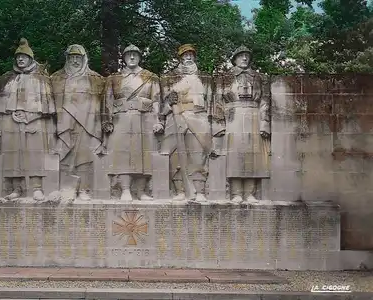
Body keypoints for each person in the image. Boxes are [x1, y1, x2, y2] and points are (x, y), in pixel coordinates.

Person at [0, 38, 57, 201]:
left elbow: (49, 107)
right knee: (13, 155)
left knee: (35, 154)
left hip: (34, 121)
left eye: (24, 56)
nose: (20, 59)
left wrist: (31, 116)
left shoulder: (41, 78)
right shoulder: (6, 78)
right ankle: (17, 188)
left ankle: (37, 188)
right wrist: (1, 122)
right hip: (11, 120)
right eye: (18, 57)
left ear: (30, 58)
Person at [101, 44, 161, 201]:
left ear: (140, 57)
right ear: (124, 58)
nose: (132, 58)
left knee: (144, 155)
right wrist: (107, 121)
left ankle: (141, 191)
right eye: (129, 55)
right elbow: (108, 101)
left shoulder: (151, 77)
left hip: (145, 118)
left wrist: (158, 121)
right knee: (122, 155)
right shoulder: (114, 78)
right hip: (122, 118)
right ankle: (125, 190)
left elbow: (156, 100)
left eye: (135, 55)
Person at [212, 45, 271, 203]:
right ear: (235, 58)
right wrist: (219, 125)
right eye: (241, 55)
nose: (244, 58)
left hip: (253, 114)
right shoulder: (225, 77)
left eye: (247, 55)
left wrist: (264, 123)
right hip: (233, 116)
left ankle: (250, 192)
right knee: (235, 155)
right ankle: (236, 192)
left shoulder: (259, 77)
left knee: (253, 155)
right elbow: (218, 101)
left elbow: (265, 100)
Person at [51, 44, 105, 200]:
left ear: (84, 59)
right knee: (64, 155)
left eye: (78, 57)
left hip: (87, 125)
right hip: (64, 125)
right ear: (67, 59)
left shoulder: (96, 78)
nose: (75, 61)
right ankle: (65, 188)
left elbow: (101, 104)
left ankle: (84, 189)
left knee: (85, 156)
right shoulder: (55, 78)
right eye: (71, 57)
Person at [159, 44, 211, 202]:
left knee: (198, 155)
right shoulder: (169, 77)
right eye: (185, 55)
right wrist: (169, 102)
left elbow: (211, 101)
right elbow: (161, 102)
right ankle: (180, 190)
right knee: (175, 155)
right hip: (175, 117)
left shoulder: (205, 78)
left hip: (198, 117)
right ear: (180, 58)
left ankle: (200, 190)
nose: (188, 57)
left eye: (191, 54)